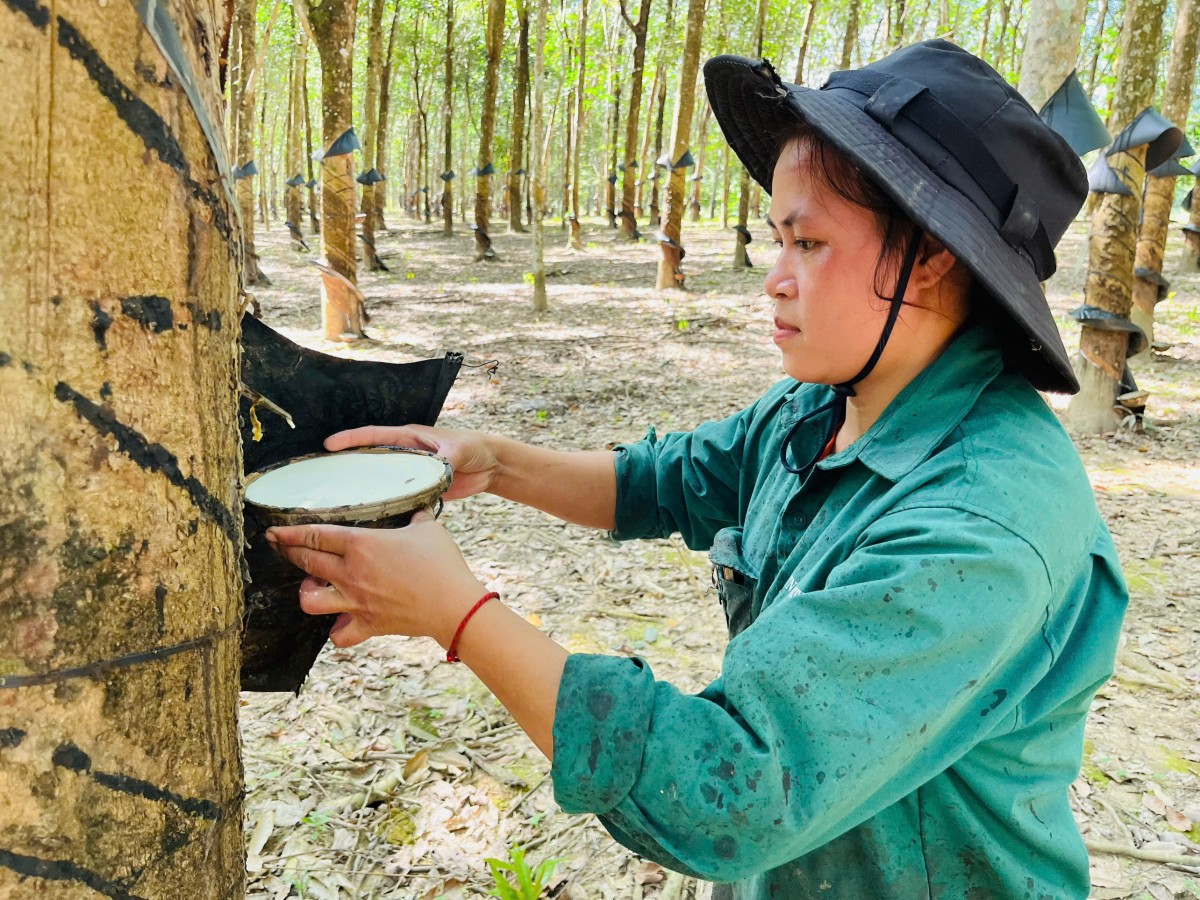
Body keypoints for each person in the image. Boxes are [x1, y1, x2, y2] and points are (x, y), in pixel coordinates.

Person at [267, 40, 1128, 899]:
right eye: (775, 240)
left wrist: (457, 616)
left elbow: (738, 791)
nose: (774, 281)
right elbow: (665, 481)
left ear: (934, 255)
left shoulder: (982, 524)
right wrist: (490, 462)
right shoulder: (832, 405)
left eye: (810, 243)